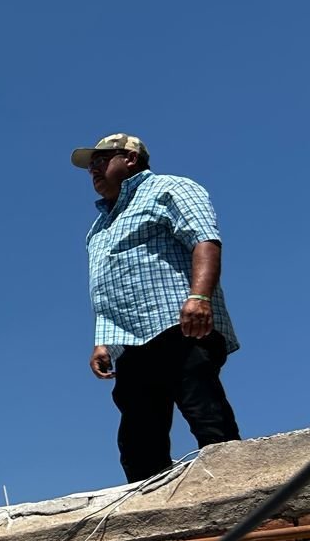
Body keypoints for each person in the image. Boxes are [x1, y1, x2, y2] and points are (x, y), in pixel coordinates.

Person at [72, 132, 240, 482]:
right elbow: (104, 284)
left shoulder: (169, 188)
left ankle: (236, 488)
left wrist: (200, 297)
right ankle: (148, 510)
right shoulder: (99, 227)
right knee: (137, 438)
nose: (94, 170)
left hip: (179, 324)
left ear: (130, 159)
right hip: (130, 341)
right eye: (91, 167)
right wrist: (102, 340)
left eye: (101, 161)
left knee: (205, 412)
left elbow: (204, 240)